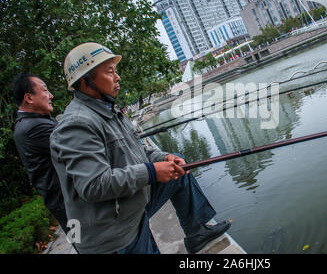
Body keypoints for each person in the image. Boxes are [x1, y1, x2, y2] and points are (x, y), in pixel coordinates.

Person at [50, 42, 231, 254]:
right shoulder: (77, 124)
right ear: (86, 80)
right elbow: (94, 185)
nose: (117, 77)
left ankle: (197, 232)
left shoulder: (109, 111)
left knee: (178, 169)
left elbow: (139, 150)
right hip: (111, 234)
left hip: (129, 209)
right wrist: (152, 171)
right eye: (110, 72)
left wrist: (165, 158)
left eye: (115, 71)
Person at [12, 73, 69, 235]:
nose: (50, 95)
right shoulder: (32, 128)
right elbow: (75, 142)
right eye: (45, 91)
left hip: (63, 203)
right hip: (67, 205)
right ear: (29, 98)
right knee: (86, 243)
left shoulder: (31, 122)